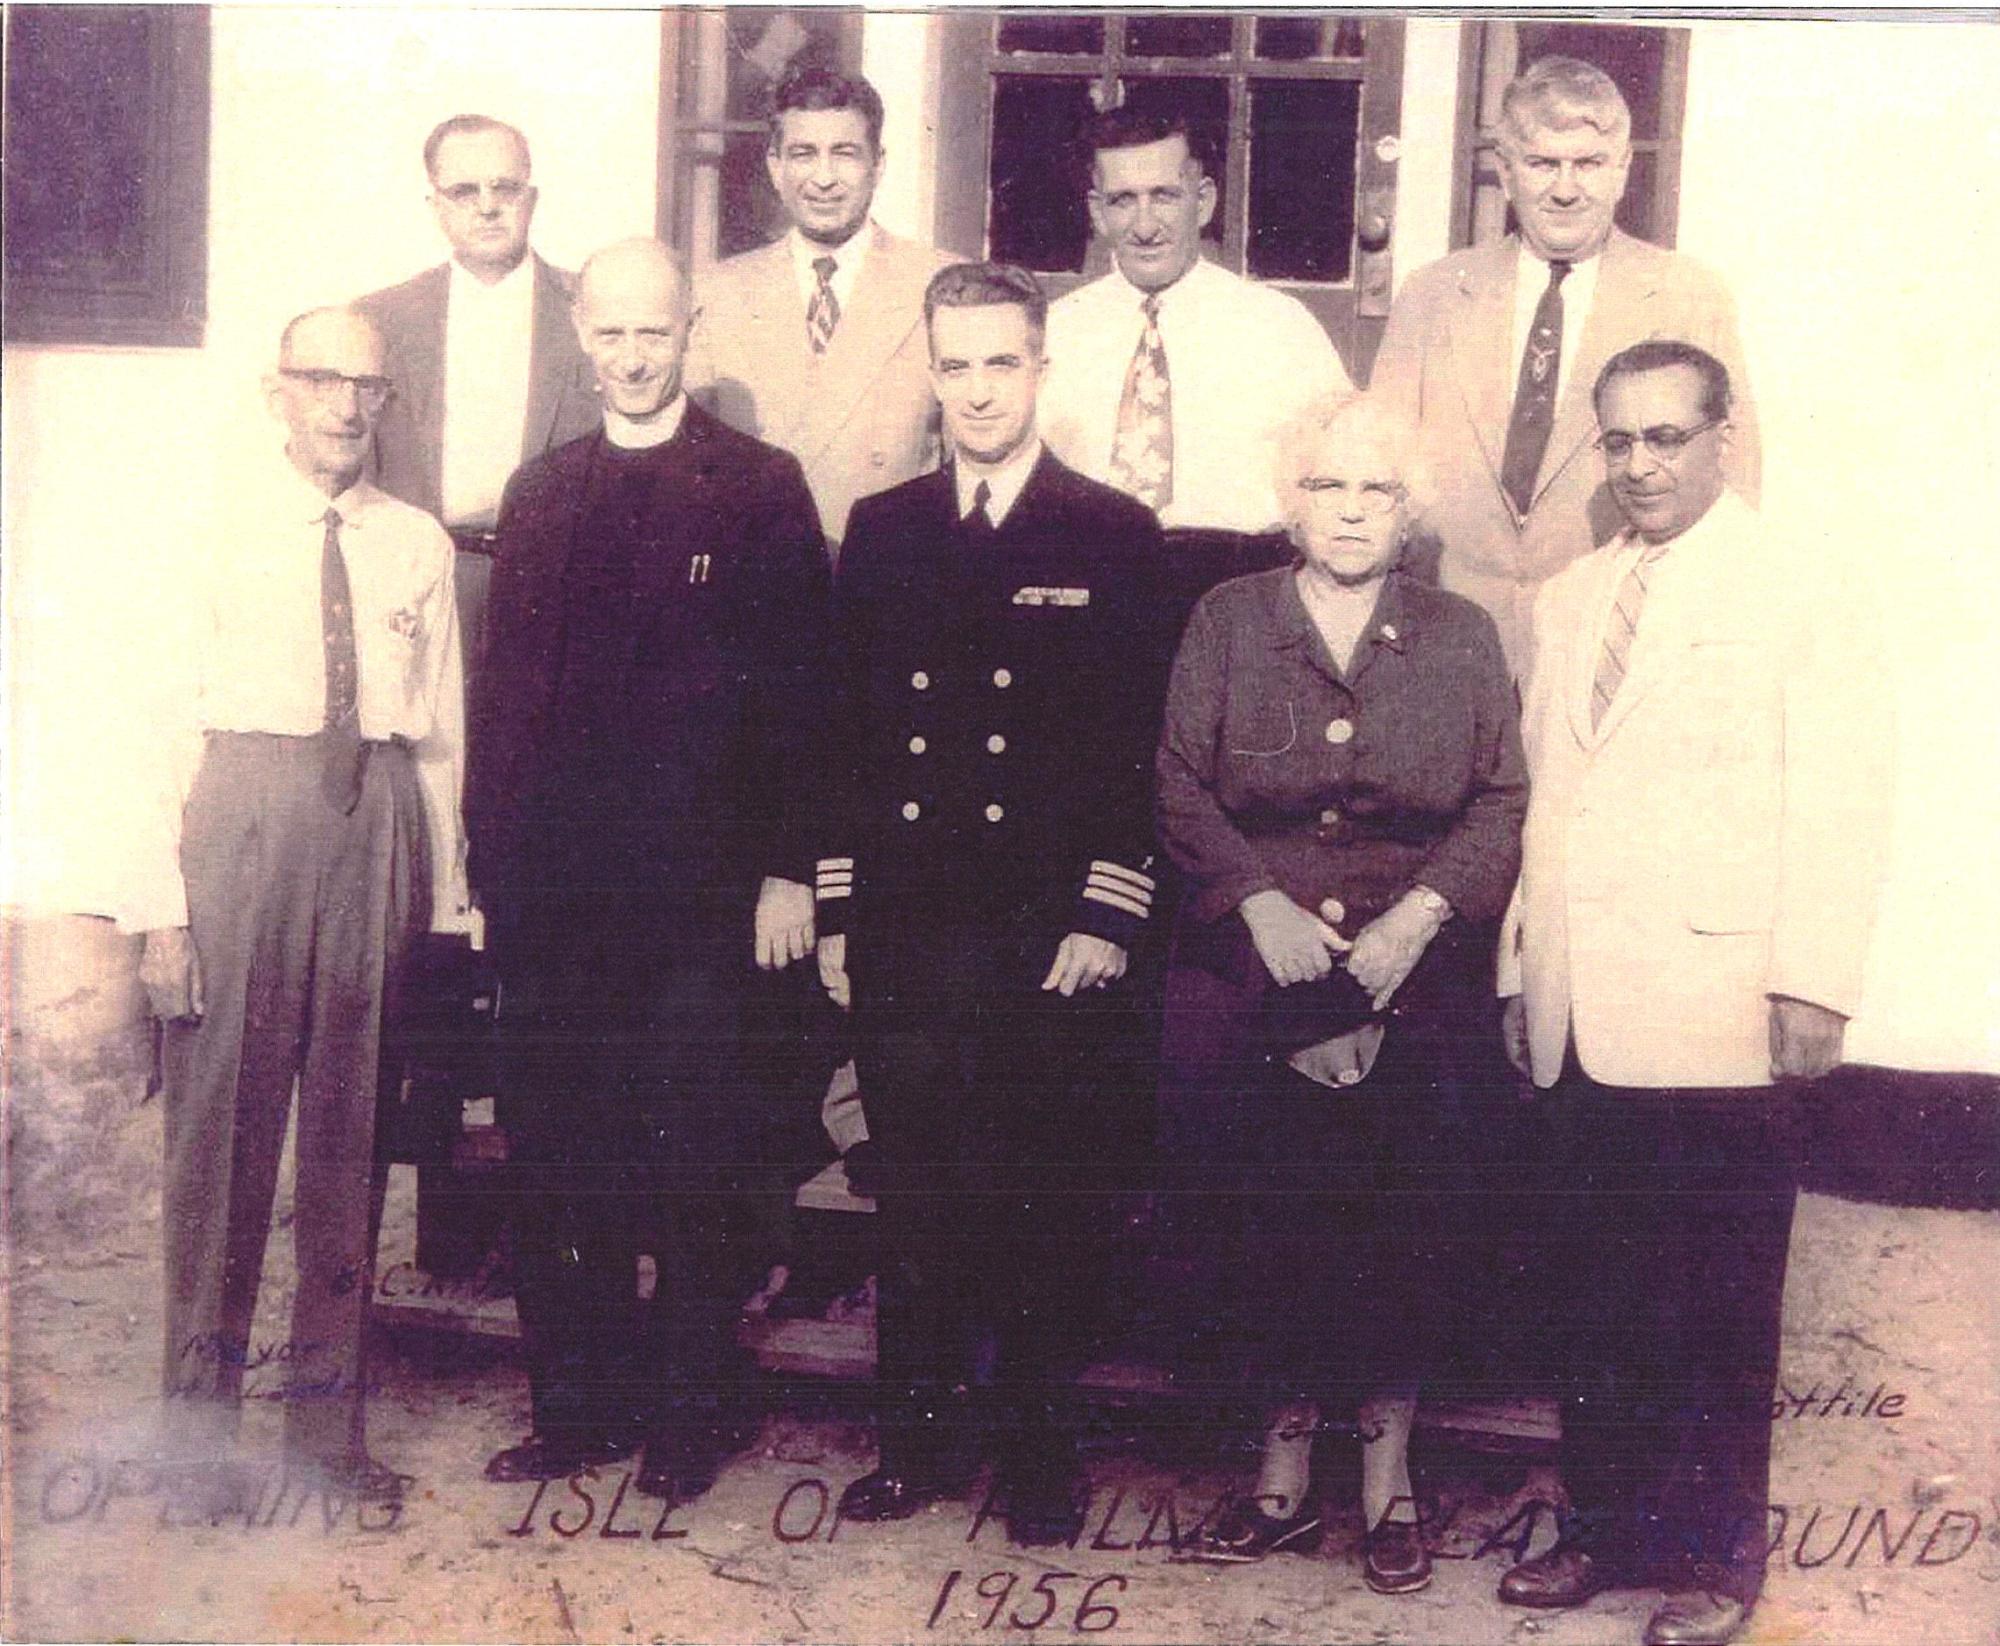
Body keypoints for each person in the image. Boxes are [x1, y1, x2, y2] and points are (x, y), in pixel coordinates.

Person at [1495, 341, 1886, 1645]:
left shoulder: (1794, 583)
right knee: (1594, 1286)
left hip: (1719, 998)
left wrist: (1812, 979)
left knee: (1715, 1301)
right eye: (1621, 441)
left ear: (1724, 435)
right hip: (1577, 998)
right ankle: (1604, 1529)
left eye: (1670, 437)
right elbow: (1549, 797)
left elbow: (1838, 792)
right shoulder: (1569, 594)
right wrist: (1519, 959)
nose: (1644, 465)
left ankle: (1718, 1562)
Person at [814, 262, 1175, 1545]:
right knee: (912, 1188)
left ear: (1040, 369)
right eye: (954, 364)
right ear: (931, 369)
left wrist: (1106, 910)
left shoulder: (1111, 530)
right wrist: (843, 909)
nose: (977, 389)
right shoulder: (885, 524)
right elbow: (847, 737)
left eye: (1001, 363)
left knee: (1042, 1195)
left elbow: (1141, 749)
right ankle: (914, 1442)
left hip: (1041, 929)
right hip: (909, 916)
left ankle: (1033, 1453)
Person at [466, 239, 831, 1501]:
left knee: (693, 1157)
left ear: (690, 337)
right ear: (582, 331)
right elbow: (504, 700)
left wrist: (792, 870)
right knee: (562, 1152)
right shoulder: (542, 490)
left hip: (704, 895)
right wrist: (492, 872)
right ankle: (574, 1409)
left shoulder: (758, 485)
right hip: (561, 896)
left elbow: (801, 696)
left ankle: (689, 1411)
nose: (633, 356)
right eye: (611, 333)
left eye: (655, 334)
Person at [1155, 391, 1526, 1590]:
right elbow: (1176, 784)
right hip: (1253, 974)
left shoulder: (1460, 632)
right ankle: (1275, 1474)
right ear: (1289, 501)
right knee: (1261, 1216)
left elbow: (1500, 799)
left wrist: (1421, 915)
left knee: (1400, 1222)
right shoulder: (1224, 619)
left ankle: (1387, 1481)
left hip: (1412, 979)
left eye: (1375, 489)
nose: (1351, 510)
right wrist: (1256, 903)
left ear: (1407, 510)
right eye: (1327, 485)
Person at [125, 307, 466, 1506]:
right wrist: (158, 909)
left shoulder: (414, 540)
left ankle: (326, 1436)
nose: (343, 405)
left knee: (350, 1135)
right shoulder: (210, 523)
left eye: (366, 385)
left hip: (368, 816)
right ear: (280, 391)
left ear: (385, 401)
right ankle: (193, 1440)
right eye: (321, 379)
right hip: (243, 817)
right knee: (219, 1136)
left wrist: (444, 895)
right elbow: (154, 719)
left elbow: (436, 728)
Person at [1371, 57, 1759, 680]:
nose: (1566, 189)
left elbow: (1733, 483)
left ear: (1624, 171)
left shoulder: (1687, 298)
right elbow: (1378, 469)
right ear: (1505, 170)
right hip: (1444, 643)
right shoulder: (1434, 295)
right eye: (1543, 163)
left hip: (1613, 646)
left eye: (1589, 164)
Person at [1040, 105, 1352, 624]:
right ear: (1096, 212)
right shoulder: (1056, 332)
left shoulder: (1279, 328)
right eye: (1122, 201)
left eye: (1164, 196)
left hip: (1236, 593)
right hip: (1088, 591)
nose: (1145, 226)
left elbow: (1342, 478)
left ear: (1203, 201)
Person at [355, 114, 597, 671]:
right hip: (422, 584)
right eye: (464, 191)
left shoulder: (591, 309)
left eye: (504, 188)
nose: (487, 206)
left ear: (530, 198)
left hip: (562, 589)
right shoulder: (380, 321)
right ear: (435, 205)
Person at [688, 67, 954, 554]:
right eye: (803, 154)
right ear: (774, 165)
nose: (824, 178)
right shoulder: (716, 291)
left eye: (845, 153)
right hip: (757, 590)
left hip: (890, 587)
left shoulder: (940, 285)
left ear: (879, 164)